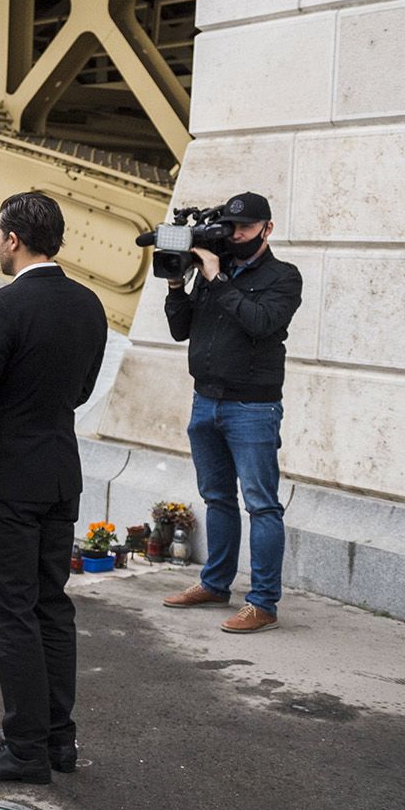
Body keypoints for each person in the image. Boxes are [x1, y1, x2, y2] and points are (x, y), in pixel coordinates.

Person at [0, 192, 107, 784]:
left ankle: (23, 748)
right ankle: (58, 740)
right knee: (50, 606)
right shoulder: (89, 305)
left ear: (13, 239)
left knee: (10, 613)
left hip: (7, 477)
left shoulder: (2, 308)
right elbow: (83, 387)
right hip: (59, 471)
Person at [160, 191, 303, 633]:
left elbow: (261, 323)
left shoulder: (284, 277)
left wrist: (219, 278)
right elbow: (180, 329)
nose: (236, 235)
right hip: (205, 400)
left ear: (267, 228)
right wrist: (175, 283)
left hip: (252, 406)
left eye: (244, 228)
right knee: (216, 497)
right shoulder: (207, 271)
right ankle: (215, 584)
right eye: (231, 227)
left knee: (262, 505)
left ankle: (262, 603)